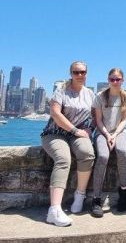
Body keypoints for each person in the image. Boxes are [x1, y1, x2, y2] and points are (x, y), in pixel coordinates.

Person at [41, 61, 95, 226]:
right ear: (71, 73)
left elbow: (94, 117)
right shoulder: (61, 91)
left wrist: (89, 130)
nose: (80, 75)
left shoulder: (90, 94)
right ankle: (54, 210)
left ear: (87, 73)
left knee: (87, 154)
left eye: (82, 72)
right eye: (76, 72)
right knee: (63, 158)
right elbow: (56, 114)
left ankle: (80, 195)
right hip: (54, 133)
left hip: (77, 134)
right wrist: (74, 130)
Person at [91, 68, 126, 217]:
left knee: (121, 151)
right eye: (112, 79)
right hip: (102, 132)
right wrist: (108, 135)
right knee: (103, 156)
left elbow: (125, 120)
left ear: (122, 80)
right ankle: (96, 199)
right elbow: (98, 121)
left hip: (120, 132)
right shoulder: (100, 96)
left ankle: (123, 191)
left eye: (118, 79)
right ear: (108, 80)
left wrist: (114, 135)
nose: (115, 82)